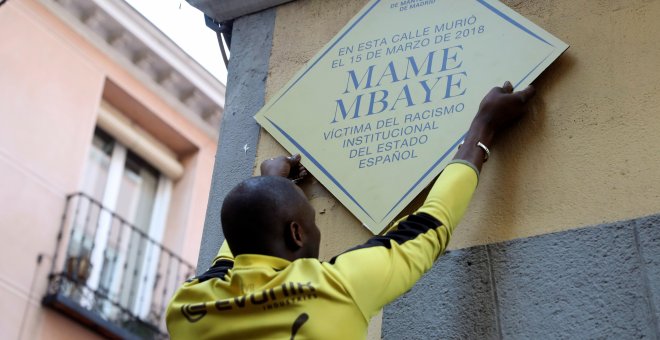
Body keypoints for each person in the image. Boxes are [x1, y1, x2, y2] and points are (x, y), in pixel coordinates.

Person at [166, 81, 536, 339]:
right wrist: (483, 127)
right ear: (296, 234)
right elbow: (430, 224)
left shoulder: (186, 307)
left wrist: (275, 185)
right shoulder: (337, 286)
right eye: (312, 223)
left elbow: (235, 252)